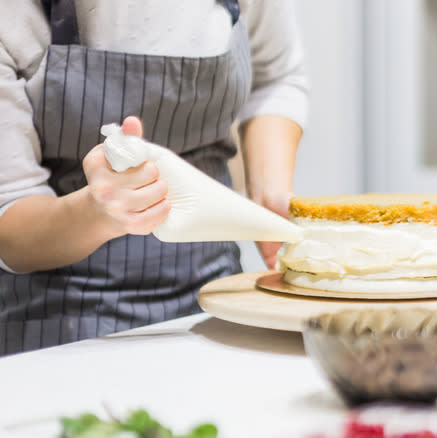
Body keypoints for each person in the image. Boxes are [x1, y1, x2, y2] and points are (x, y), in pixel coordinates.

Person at [0, 0, 308, 355]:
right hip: (62, 326)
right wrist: (95, 212)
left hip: (221, 301)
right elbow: (10, 224)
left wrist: (270, 196)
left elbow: (276, 77)